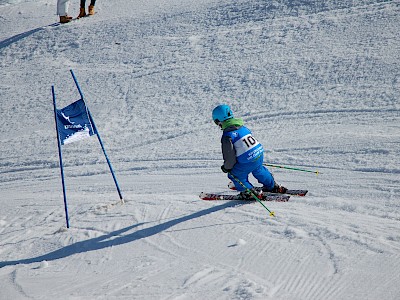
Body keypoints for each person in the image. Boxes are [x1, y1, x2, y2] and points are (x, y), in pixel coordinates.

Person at [212, 104, 287, 199]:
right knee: (258, 170)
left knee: (235, 174)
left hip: (247, 160)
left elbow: (229, 157)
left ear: (218, 121)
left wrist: (227, 168)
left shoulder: (227, 136)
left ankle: (248, 192)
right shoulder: (243, 127)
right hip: (259, 155)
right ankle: (272, 186)